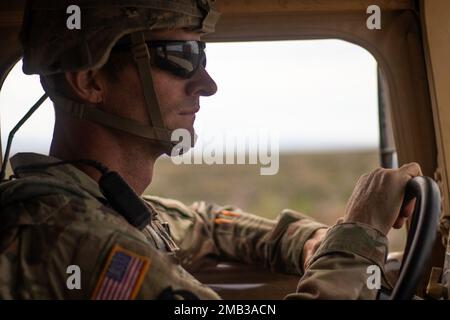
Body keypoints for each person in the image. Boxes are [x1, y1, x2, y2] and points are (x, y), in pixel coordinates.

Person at [0, 0, 419, 299]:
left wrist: (314, 243)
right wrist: (359, 236)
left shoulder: (102, 203)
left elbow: (205, 222)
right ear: (89, 81)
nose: (207, 84)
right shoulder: (81, 241)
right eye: (181, 57)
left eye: (200, 53)